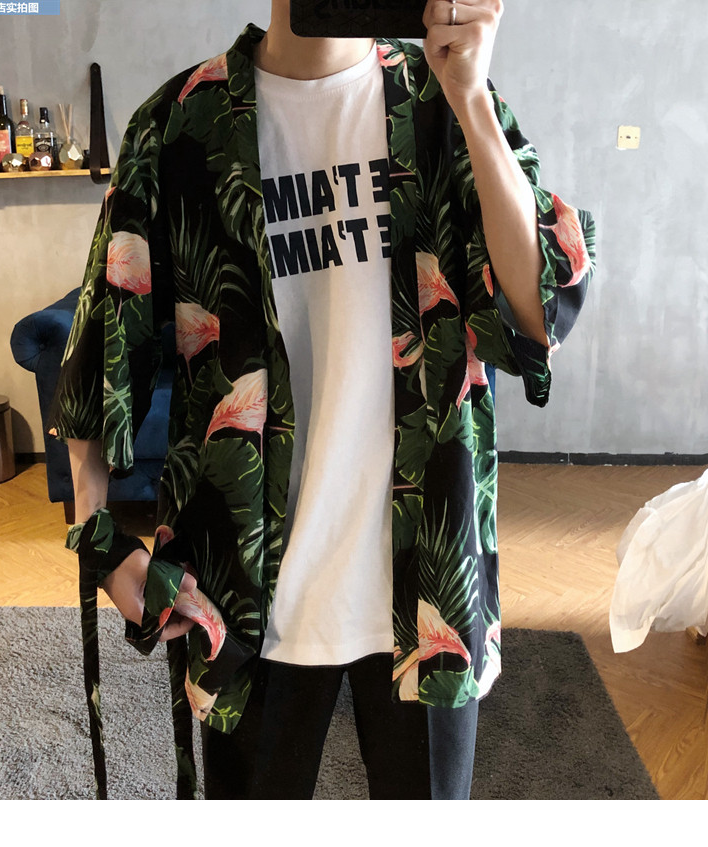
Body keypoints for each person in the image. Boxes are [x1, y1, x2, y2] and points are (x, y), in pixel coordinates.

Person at [49, 0, 595, 800]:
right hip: (241, 594)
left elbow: (539, 314)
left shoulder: (446, 106)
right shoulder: (181, 124)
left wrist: (472, 100)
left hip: (428, 593)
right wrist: (99, 538)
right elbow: (103, 338)